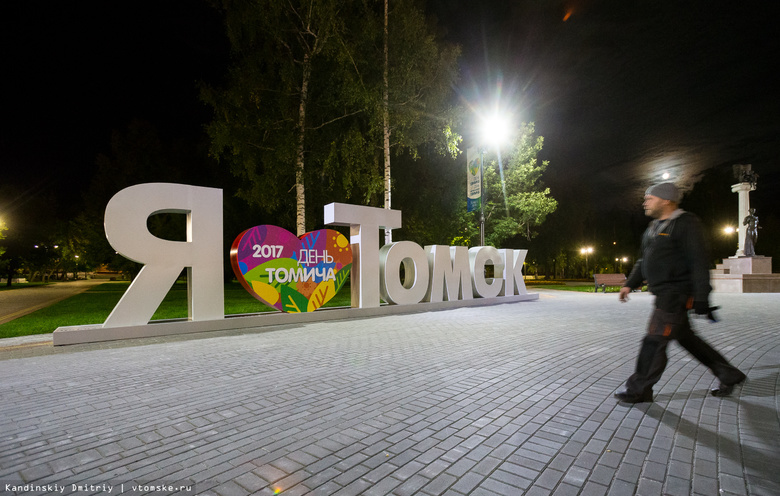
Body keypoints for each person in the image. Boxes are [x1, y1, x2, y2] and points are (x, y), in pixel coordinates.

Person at [614, 182, 746, 403]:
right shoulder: (654, 227)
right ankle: (729, 374)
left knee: (654, 341)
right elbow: (643, 259)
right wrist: (631, 283)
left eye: (650, 198)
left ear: (666, 200)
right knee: (687, 339)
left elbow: (699, 262)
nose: (645, 201)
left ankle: (639, 389)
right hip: (664, 294)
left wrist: (702, 296)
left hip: (675, 294)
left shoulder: (686, 224)